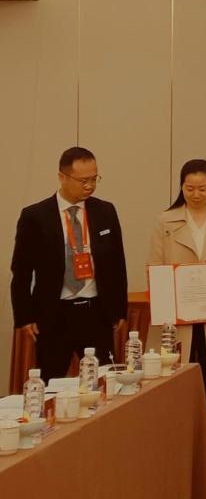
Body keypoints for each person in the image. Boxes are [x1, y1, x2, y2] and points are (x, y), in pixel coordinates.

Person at [148, 159, 206, 474]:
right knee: (176, 392)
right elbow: (155, 268)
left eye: (202, 188)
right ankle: (177, 457)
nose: (196, 194)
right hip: (178, 322)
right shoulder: (165, 221)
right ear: (181, 187)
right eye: (190, 188)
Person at [11, 147, 127, 381]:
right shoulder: (35, 216)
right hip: (54, 314)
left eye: (94, 179)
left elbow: (117, 265)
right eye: (83, 180)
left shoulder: (105, 211)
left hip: (96, 312)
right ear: (62, 177)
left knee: (104, 381)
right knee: (50, 382)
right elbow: (21, 270)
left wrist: (119, 310)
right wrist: (24, 316)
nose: (90, 186)